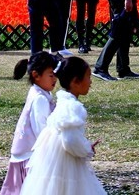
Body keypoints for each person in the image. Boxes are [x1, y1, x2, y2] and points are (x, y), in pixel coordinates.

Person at [20, 56, 105, 195]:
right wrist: (86, 149)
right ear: (76, 81)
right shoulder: (73, 107)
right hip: (65, 163)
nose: (90, 82)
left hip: (50, 161)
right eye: (88, 77)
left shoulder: (62, 102)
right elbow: (70, 140)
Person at [0, 51, 59, 194]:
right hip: (30, 158)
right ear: (36, 75)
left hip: (28, 154)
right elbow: (42, 131)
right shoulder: (40, 99)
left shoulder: (39, 92)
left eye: (55, 74)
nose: (55, 79)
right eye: (51, 75)